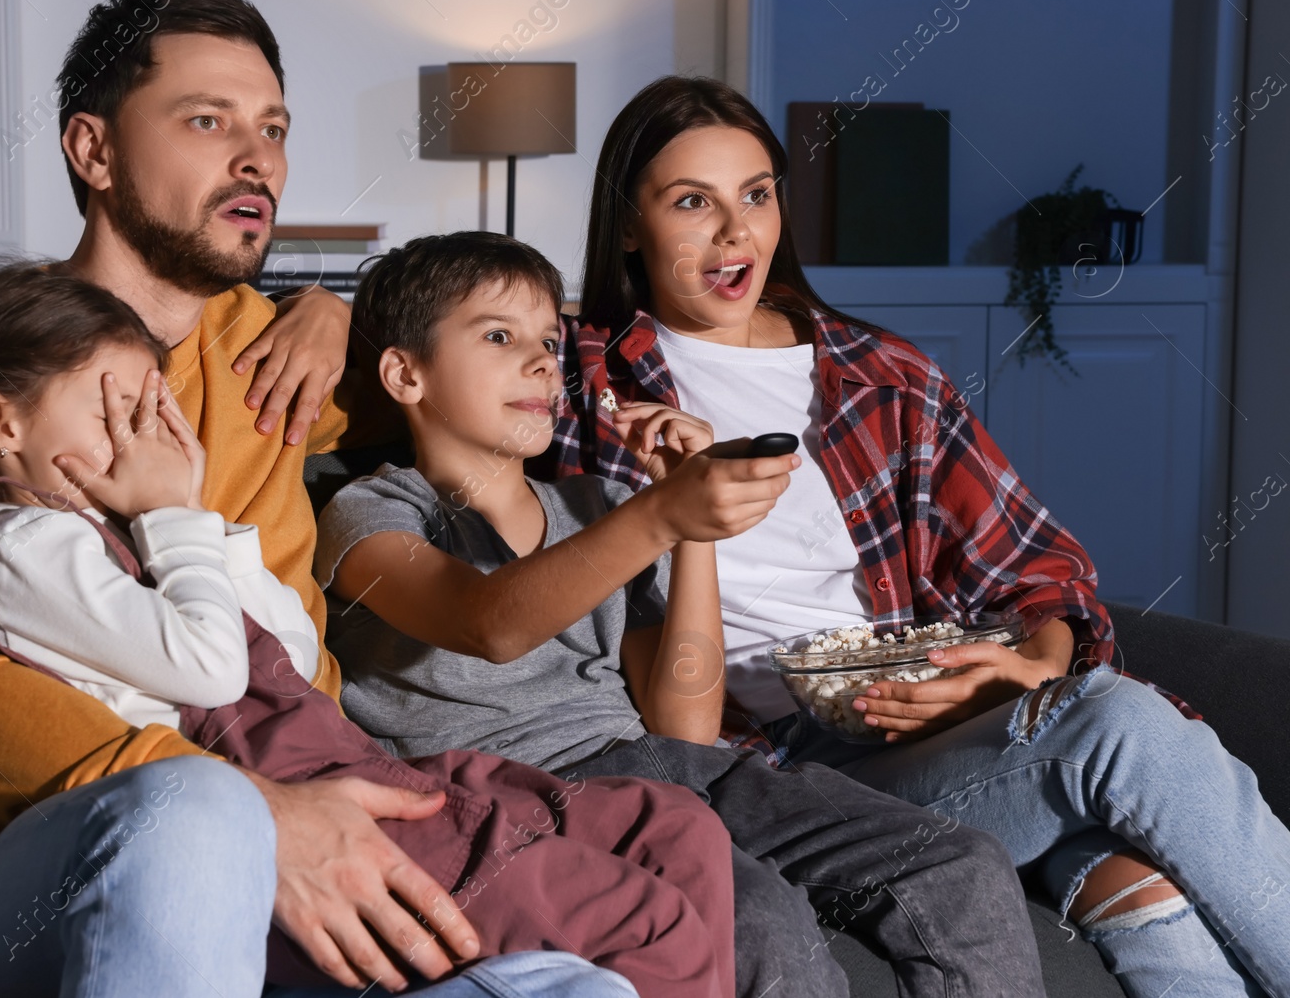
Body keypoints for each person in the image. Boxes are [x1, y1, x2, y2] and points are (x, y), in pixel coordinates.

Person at [0, 0, 635, 998]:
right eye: (206, 119)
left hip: (310, 811)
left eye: (272, 126)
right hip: (41, 864)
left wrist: (333, 307)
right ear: (92, 150)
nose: (256, 155)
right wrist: (253, 807)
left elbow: (450, 365)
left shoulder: (274, 354)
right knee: (199, 816)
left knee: (586, 985)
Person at [538, 73, 1290, 998]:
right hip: (770, 768)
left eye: (758, 195)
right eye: (692, 202)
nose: (736, 233)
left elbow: (1042, 575)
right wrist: (330, 317)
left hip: (927, 722)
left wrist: (1027, 667)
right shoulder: (579, 383)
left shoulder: (883, 375)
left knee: (1129, 870)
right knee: (1127, 732)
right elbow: (427, 328)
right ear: (627, 224)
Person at [0, 260, 740, 997]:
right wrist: (169, 513)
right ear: (2, 422)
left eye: (148, 411)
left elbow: (293, 649)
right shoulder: (21, 542)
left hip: (341, 760)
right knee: (643, 921)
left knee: (676, 827)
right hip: (255, 795)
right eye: (112, 411)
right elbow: (210, 671)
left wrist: (199, 515)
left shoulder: (136, 528)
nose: (140, 440)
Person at [314, 230, 1049, 998]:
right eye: (499, 336)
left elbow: (685, 723)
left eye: (546, 340)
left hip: (672, 769)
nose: (539, 361)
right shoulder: (370, 512)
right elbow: (488, 623)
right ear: (405, 373)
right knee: (757, 917)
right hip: (520, 796)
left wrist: (691, 527)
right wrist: (662, 515)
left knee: (959, 864)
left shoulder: (595, 508)